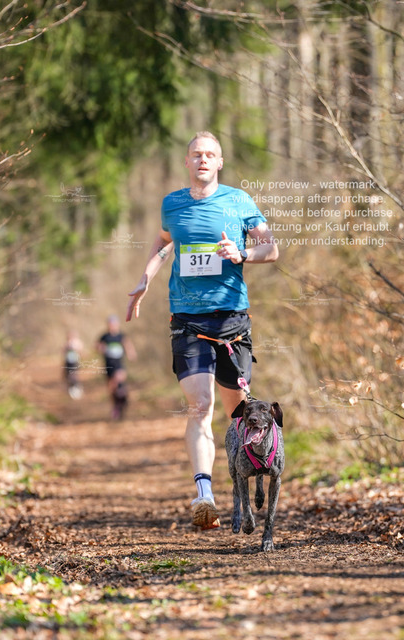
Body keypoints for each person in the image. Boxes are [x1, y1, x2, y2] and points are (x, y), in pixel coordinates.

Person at [126, 131, 279, 529]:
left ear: (220, 162)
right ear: (187, 161)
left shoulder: (239, 201)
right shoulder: (172, 204)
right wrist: (146, 277)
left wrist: (242, 253)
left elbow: (271, 247)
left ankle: (241, 489)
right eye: (196, 154)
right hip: (187, 321)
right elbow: (164, 243)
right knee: (199, 406)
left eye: (210, 154)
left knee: (239, 416)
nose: (203, 159)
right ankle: (204, 495)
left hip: (232, 321)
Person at [97, 314, 137, 419]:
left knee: (118, 379)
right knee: (111, 388)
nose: (112, 326)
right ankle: (116, 405)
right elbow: (97, 346)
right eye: (110, 324)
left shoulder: (121, 336)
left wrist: (131, 354)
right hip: (108, 365)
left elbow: (127, 345)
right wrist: (101, 348)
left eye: (114, 324)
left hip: (119, 364)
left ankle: (123, 400)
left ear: (117, 325)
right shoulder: (104, 337)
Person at [63, 329, 84, 399]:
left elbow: (81, 351)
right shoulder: (66, 343)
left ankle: (77, 389)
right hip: (68, 362)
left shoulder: (77, 342)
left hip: (75, 361)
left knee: (74, 376)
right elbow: (63, 352)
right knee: (68, 376)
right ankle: (70, 389)